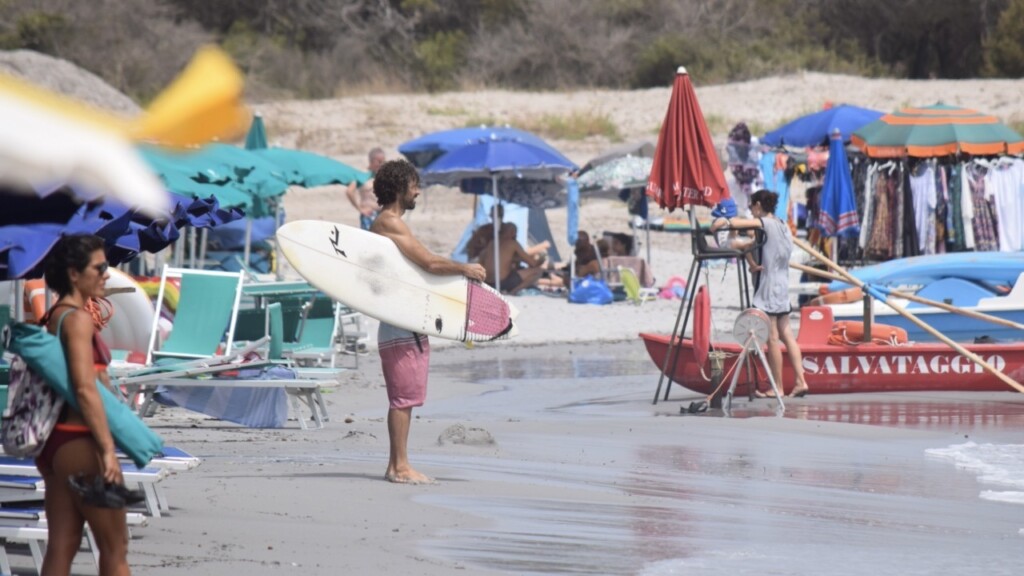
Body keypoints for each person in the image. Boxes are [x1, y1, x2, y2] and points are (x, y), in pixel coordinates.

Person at [370, 159, 486, 484]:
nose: (418, 192)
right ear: (399, 188)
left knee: (406, 395)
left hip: (403, 316)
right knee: (403, 396)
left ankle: (398, 465)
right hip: (398, 320)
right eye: (413, 186)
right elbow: (429, 263)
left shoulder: (391, 222)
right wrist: (465, 268)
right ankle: (400, 467)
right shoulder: (389, 222)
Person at [37, 234, 131, 575]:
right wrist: (107, 449)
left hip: (57, 442)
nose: (107, 273)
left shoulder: (56, 316)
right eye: (100, 266)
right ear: (74, 274)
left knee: (63, 544)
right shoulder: (77, 320)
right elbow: (85, 387)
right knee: (115, 546)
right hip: (80, 439)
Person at [711, 189, 809, 398]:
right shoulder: (784, 226)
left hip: (769, 288)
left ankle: (779, 389)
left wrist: (724, 222)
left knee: (772, 338)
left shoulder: (763, 223)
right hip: (782, 285)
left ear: (757, 206)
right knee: (788, 336)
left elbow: (738, 224)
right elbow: (753, 246)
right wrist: (752, 263)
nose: (751, 212)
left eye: (751, 207)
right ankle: (801, 381)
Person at [478, 223, 546, 295]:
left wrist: (516, 259)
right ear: (512, 232)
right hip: (502, 282)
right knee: (538, 271)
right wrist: (542, 258)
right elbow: (533, 264)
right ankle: (513, 292)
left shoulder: (492, 243)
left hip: (488, 282)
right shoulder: (513, 243)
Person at [347, 147, 387, 230]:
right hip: (369, 215)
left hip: (383, 214)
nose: (381, 164)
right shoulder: (362, 175)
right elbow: (349, 192)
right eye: (379, 161)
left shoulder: (383, 176)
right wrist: (359, 208)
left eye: (383, 162)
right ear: (371, 161)